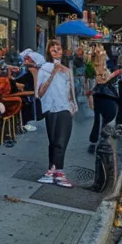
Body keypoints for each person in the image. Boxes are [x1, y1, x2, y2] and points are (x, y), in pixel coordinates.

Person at [36, 43, 77, 187]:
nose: (55, 51)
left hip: (64, 108)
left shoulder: (67, 71)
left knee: (61, 141)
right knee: (54, 142)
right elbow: (39, 93)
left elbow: (70, 91)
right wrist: (53, 73)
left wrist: (73, 105)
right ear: (48, 52)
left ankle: (58, 171)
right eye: (52, 49)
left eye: (58, 49)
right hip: (50, 108)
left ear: (62, 52)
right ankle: (53, 171)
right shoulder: (44, 69)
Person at [86, 44, 122, 153]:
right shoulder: (91, 63)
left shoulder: (112, 62)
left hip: (109, 94)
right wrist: (89, 95)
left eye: (100, 49)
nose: (98, 51)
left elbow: (119, 72)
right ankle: (96, 141)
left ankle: (103, 138)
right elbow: (90, 79)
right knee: (98, 118)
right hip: (99, 94)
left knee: (107, 118)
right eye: (96, 48)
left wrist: (111, 75)